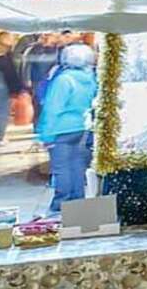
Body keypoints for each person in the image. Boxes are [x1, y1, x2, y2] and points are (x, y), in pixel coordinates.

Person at [35, 42, 96, 212]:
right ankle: (78, 198)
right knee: (77, 165)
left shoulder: (63, 80)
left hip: (61, 129)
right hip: (82, 126)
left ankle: (61, 202)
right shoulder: (89, 78)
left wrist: (45, 135)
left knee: (61, 168)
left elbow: (53, 108)